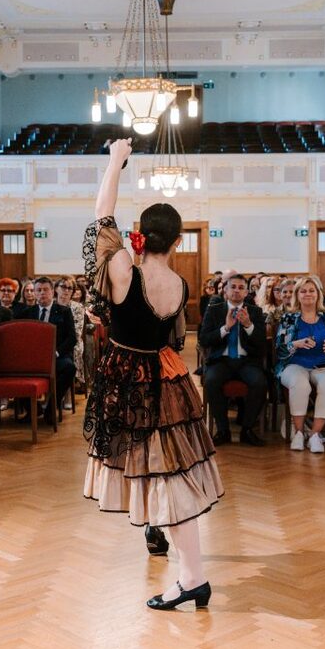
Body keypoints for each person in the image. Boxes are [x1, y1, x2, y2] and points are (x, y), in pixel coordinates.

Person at [84, 139, 222, 611]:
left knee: (165, 479)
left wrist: (115, 160)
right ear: (178, 241)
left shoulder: (126, 271)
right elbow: (174, 338)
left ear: (140, 235)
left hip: (130, 383)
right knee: (170, 475)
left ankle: (193, 578)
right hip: (168, 380)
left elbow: (103, 213)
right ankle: (190, 573)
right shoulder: (180, 282)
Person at [274, 276, 325, 453]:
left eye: (311, 290)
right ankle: (298, 433)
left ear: (318, 294)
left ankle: (314, 434)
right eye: (303, 291)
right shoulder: (288, 318)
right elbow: (280, 349)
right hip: (294, 364)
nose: (307, 294)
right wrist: (295, 344)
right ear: (297, 295)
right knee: (300, 384)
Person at [199, 274, 268, 447]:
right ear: (226, 290)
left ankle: (247, 429)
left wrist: (248, 325)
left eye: (241, 288)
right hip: (221, 360)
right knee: (212, 381)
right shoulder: (214, 310)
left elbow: (261, 345)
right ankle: (223, 430)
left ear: (246, 292)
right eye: (233, 287)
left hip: (247, 361)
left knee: (259, 382)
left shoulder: (255, 312)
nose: (237, 291)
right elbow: (204, 340)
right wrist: (226, 328)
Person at [17, 276, 77, 423]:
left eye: (45, 290)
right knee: (14, 369)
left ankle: (51, 408)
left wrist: (56, 353)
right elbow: (22, 339)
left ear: (52, 292)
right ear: (35, 293)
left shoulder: (64, 311)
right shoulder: (27, 313)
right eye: (39, 290)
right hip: (33, 358)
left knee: (69, 368)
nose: (42, 293)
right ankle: (34, 409)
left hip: (56, 356)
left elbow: (71, 339)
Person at [57, 277, 87, 391]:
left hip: (72, 341)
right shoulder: (52, 304)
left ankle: (68, 391)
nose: (66, 290)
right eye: (63, 287)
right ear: (56, 289)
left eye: (70, 288)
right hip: (54, 342)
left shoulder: (77, 307)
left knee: (73, 349)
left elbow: (77, 332)